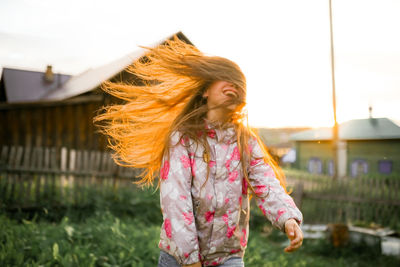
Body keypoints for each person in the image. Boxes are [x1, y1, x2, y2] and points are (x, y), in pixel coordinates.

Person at [93, 35, 303, 267]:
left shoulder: (246, 141)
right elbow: (176, 201)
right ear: (205, 91)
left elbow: (267, 183)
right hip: (179, 258)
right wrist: (190, 259)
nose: (234, 85)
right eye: (226, 79)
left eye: (239, 82)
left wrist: (288, 218)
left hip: (228, 257)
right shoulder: (183, 138)